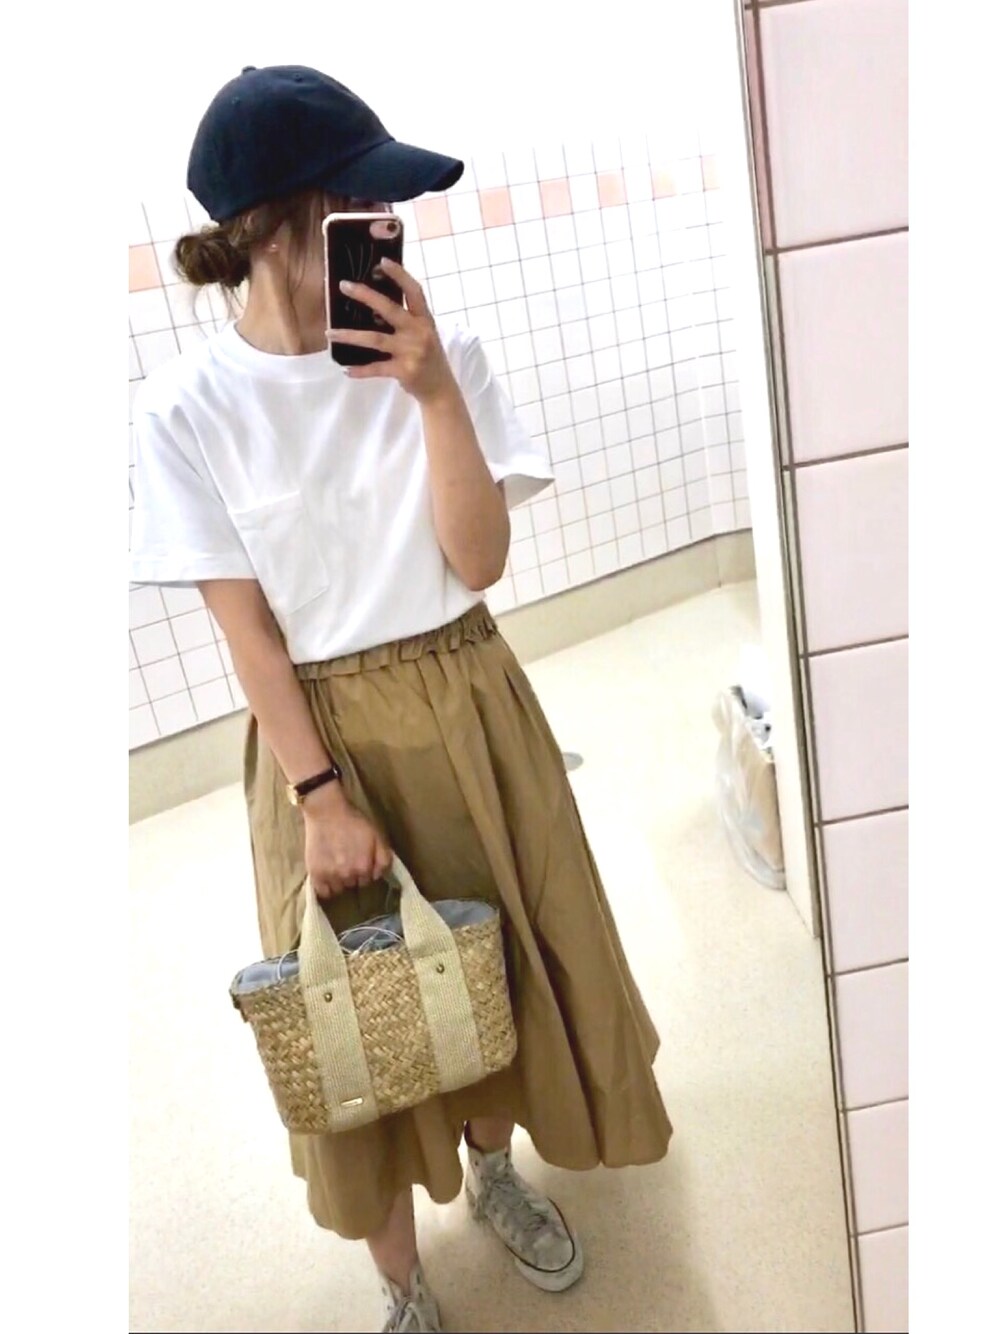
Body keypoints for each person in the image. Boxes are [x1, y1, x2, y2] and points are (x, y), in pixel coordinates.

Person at [130, 64, 671, 1334]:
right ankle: (400, 1284)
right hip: (319, 738)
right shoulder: (188, 411)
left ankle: (494, 1169)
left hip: (469, 699)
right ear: (273, 229)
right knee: (349, 1008)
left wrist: (431, 393)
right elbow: (248, 634)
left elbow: (477, 560)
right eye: (357, 204)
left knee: (498, 958)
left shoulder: (444, 355)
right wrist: (319, 796)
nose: (387, 228)